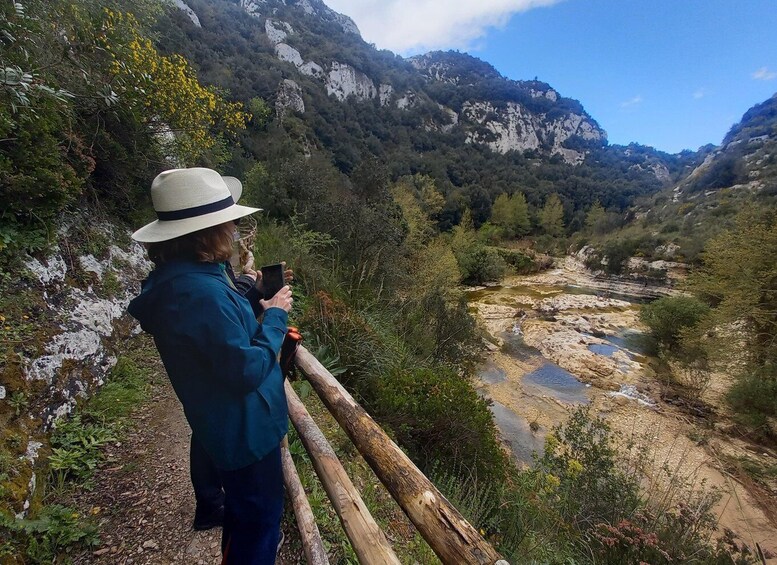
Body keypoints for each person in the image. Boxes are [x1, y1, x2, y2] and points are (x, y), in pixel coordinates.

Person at [128, 167, 291, 564]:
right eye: (228, 220)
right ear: (207, 232)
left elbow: (219, 333)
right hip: (244, 432)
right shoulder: (197, 292)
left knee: (246, 517)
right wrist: (275, 318)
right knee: (259, 522)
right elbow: (245, 370)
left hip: (232, 426)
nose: (235, 227)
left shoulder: (188, 279)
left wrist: (255, 301)